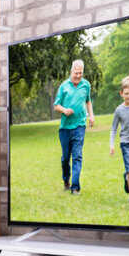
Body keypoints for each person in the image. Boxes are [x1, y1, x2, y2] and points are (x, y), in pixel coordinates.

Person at [53, 59, 94, 196]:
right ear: (71, 72)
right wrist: (64, 110)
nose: (78, 76)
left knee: (77, 156)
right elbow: (56, 105)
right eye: (76, 73)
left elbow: (88, 101)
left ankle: (75, 187)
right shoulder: (64, 86)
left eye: (81, 73)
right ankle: (66, 181)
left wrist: (91, 115)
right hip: (65, 128)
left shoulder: (86, 85)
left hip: (79, 125)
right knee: (66, 158)